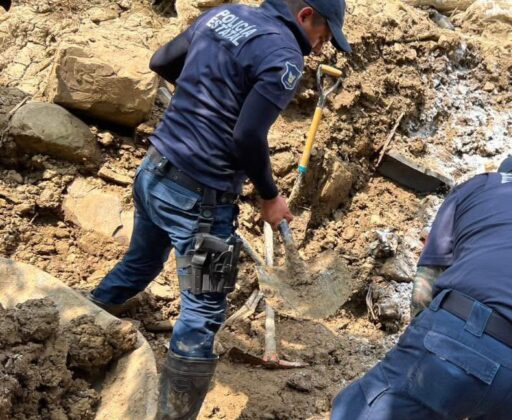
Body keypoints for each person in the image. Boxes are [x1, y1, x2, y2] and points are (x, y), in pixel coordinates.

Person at [85, 1, 350, 418]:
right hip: (200, 203)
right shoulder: (284, 56)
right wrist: (269, 196)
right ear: (305, 14)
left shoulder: (224, 14)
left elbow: (162, 61)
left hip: (154, 173)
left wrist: (202, 104)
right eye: (324, 34)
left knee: (142, 261)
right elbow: (247, 136)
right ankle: (174, 415)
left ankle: (83, 324)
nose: (320, 46)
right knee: (205, 308)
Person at [331, 152, 512, 419]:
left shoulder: (482, 184)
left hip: (465, 345)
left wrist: (417, 345)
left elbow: (431, 272)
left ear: (506, 173)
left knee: (357, 410)